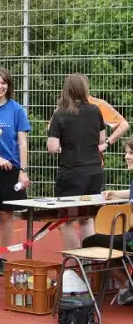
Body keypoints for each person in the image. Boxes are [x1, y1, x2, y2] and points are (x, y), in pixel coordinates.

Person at [47, 74, 106, 251]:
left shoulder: (60, 113)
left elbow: (52, 146)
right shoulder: (95, 110)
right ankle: (88, 263)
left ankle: (73, 266)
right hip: (94, 171)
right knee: (87, 218)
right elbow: (102, 139)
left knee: (67, 221)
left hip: (71, 173)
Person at [82, 137, 133, 306]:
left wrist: (123, 209)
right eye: (126, 152)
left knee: (91, 241)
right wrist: (118, 194)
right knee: (113, 243)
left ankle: (125, 283)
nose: (126, 156)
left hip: (130, 241)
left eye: (131, 153)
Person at [0, 67, 31, 276]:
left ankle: (3, 257)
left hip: (10, 167)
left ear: (8, 85)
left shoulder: (16, 110)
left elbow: (23, 142)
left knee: (6, 215)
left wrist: (23, 170)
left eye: (3, 82)